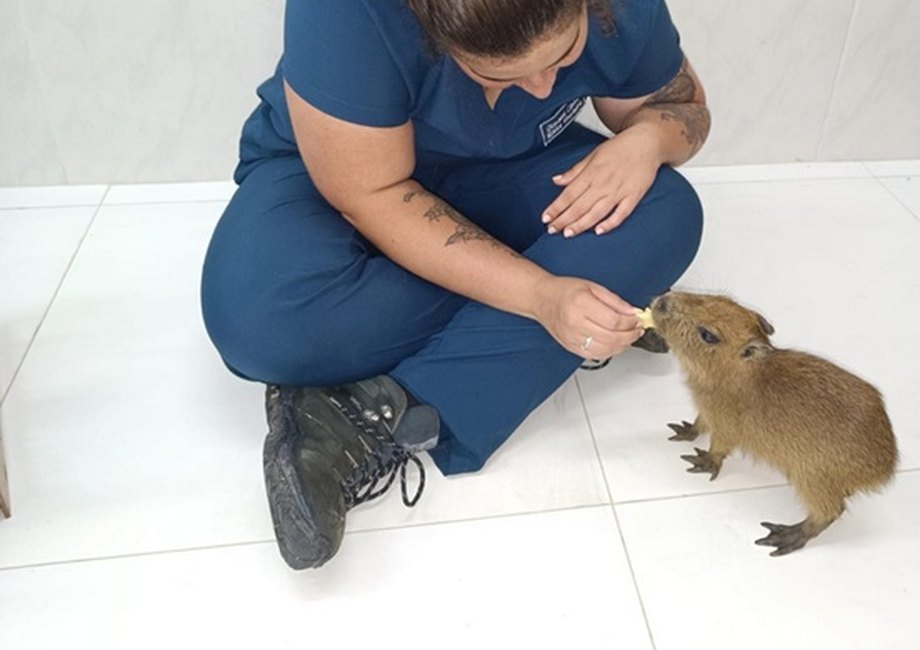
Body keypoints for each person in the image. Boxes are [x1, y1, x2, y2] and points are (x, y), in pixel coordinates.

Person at [201, 0, 709, 570]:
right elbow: (372, 195)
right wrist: (540, 294)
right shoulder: (345, 12)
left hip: (510, 174)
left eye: (564, 54)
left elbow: (677, 104)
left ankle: (373, 416)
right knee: (260, 319)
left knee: (667, 212)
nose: (544, 89)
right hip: (340, 179)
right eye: (500, 75)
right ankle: (562, 302)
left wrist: (647, 143)